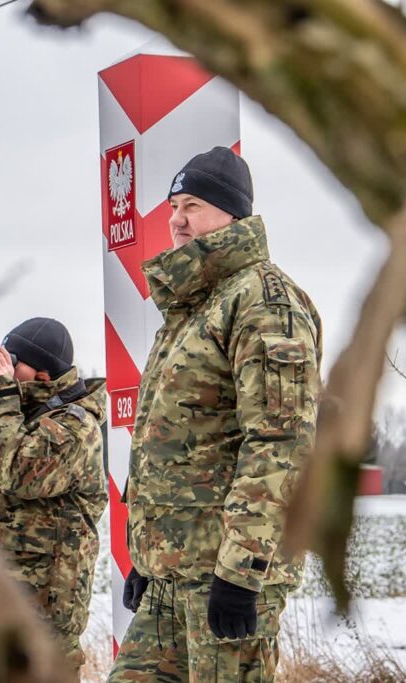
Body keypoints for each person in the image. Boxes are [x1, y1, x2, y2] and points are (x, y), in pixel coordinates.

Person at [110, 147, 323, 682]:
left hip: (225, 578)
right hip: (172, 574)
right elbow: (177, 441)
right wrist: (148, 553)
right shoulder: (192, 307)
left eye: (194, 205)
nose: (177, 220)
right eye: (173, 205)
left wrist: (242, 571)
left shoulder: (264, 302)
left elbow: (280, 444)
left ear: (234, 215)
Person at [0, 317, 107, 679]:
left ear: (44, 375)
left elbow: (18, 473)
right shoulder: (4, 416)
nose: (3, 366)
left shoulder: (75, 426)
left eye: (13, 360)